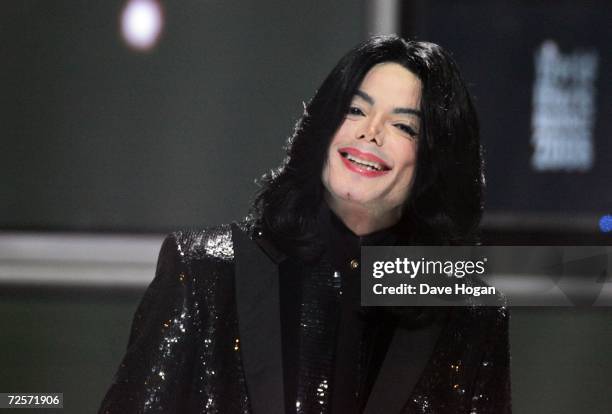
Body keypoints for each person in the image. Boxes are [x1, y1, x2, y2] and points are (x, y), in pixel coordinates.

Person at [99, 35, 511, 413]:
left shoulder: (467, 312)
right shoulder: (205, 272)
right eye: (355, 109)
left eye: (404, 126)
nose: (370, 133)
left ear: (437, 162)